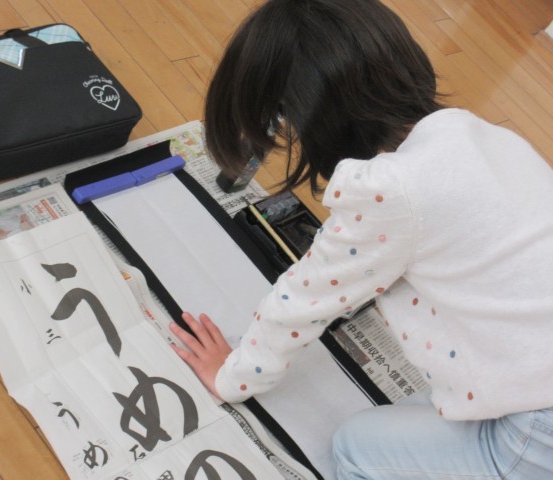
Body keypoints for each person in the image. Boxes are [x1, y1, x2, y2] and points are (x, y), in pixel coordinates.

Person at [168, 0, 553, 478]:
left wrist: (230, 379)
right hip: (533, 381)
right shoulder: (482, 134)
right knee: (417, 419)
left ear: (310, 118)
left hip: (539, 432)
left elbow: (300, 303)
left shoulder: (388, 191)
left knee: (354, 447)